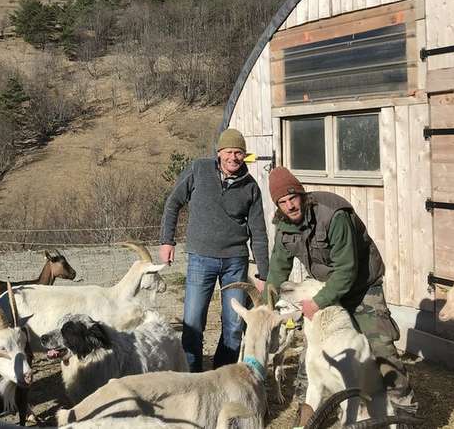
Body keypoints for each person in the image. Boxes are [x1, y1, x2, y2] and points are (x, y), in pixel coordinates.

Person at [263, 167, 418, 426]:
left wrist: (317, 303)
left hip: (361, 287)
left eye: (292, 198)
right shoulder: (283, 225)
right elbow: (278, 267)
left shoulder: (334, 214)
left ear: (301, 194)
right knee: (311, 354)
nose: (290, 205)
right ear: (278, 205)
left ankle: (404, 413)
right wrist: (267, 308)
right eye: (283, 201)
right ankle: (307, 419)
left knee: (380, 350)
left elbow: (347, 270)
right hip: (325, 290)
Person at [158, 128, 269, 372]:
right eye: (229, 152)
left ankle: (222, 375)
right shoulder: (199, 170)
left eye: (239, 153)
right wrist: (167, 241)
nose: (234, 158)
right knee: (193, 322)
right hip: (200, 259)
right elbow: (173, 203)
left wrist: (263, 273)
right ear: (219, 153)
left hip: (235, 263)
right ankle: (192, 375)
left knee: (234, 325)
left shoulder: (251, 188)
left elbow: (259, 233)